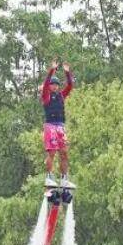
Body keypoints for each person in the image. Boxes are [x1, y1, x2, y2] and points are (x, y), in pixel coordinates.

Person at [41, 61, 74, 189]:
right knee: (52, 152)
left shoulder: (61, 95)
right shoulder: (46, 96)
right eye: (52, 84)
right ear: (49, 86)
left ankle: (64, 179)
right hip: (50, 126)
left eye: (56, 84)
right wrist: (52, 70)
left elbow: (70, 85)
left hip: (60, 126)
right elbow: (45, 83)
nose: (55, 86)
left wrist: (67, 72)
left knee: (64, 152)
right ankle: (49, 176)